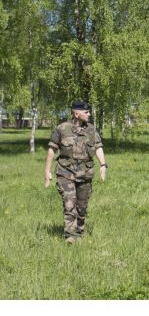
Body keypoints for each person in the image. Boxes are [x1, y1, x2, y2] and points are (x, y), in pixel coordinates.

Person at [44, 100, 106, 243]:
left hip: (85, 173)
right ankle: (70, 236)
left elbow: (98, 147)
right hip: (65, 172)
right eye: (86, 112)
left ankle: (79, 232)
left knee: (82, 206)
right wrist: (47, 172)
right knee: (69, 204)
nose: (89, 114)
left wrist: (103, 165)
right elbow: (51, 151)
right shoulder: (61, 129)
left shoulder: (91, 130)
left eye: (89, 111)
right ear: (76, 113)